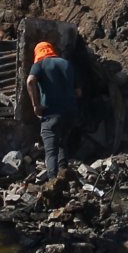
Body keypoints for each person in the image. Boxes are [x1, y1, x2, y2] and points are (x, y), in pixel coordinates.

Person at [27, 41, 80, 181]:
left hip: (51, 114)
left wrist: (36, 105)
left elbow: (30, 81)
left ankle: (53, 183)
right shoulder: (67, 64)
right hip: (70, 113)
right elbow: (79, 92)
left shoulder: (39, 65)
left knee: (51, 151)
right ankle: (64, 176)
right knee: (62, 143)